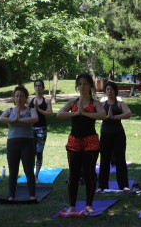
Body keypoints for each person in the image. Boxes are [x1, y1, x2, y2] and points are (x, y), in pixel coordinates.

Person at [57, 73, 106, 214]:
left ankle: (89, 204)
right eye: (80, 84)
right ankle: (72, 205)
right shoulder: (73, 103)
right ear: (77, 86)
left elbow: (102, 115)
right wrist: (76, 113)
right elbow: (59, 114)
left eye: (85, 83)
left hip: (90, 141)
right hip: (74, 141)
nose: (82, 86)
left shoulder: (95, 103)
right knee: (74, 174)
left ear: (90, 85)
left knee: (89, 174)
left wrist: (84, 113)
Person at [0, 86, 38, 201]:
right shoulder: (9, 110)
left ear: (26, 98)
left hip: (27, 142)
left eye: (21, 96)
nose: (19, 98)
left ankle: (32, 195)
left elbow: (35, 119)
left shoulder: (31, 110)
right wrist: (13, 119)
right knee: (13, 170)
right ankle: (11, 195)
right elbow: (0, 119)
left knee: (28, 170)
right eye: (17, 96)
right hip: (13, 143)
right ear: (14, 98)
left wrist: (19, 120)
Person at [97, 81, 132, 192]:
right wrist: (106, 117)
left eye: (111, 89)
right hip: (105, 135)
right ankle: (102, 186)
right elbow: (96, 115)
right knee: (104, 160)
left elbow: (128, 113)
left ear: (115, 91)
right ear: (105, 91)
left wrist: (115, 117)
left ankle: (123, 185)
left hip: (118, 135)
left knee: (120, 160)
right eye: (107, 89)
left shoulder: (120, 103)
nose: (109, 91)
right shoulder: (102, 104)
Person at [28, 79, 53, 183]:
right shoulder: (30, 100)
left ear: (43, 88)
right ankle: (30, 175)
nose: (38, 88)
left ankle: (36, 176)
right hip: (30, 129)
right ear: (34, 87)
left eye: (40, 86)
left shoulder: (46, 100)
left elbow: (50, 114)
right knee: (30, 153)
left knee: (39, 152)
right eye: (36, 86)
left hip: (42, 129)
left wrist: (38, 109)